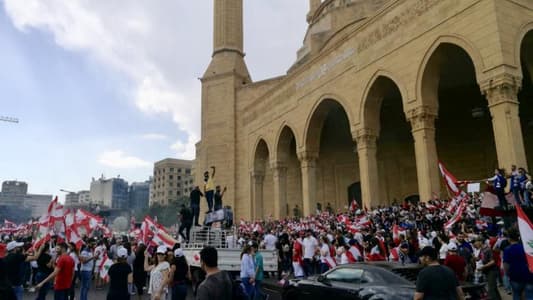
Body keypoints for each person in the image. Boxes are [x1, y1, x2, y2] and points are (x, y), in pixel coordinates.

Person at [503, 229, 533, 300]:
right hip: (529, 276)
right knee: (530, 296)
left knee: (517, 295)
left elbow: (506, 265)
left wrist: (508, 274)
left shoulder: (507, 249)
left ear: (509, 238)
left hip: (515, 277)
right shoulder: (526, 248)